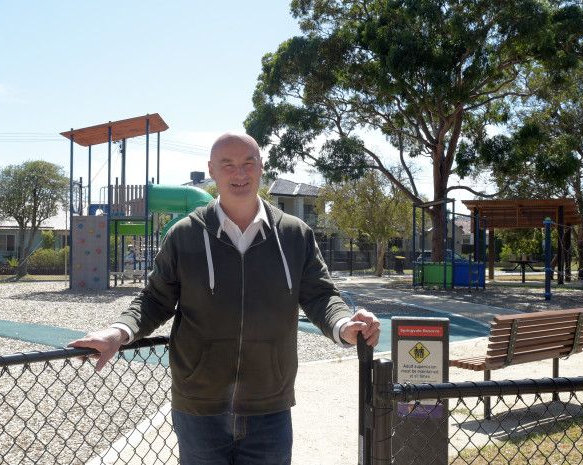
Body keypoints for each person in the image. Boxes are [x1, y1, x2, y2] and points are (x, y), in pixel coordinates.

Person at [70, 132, 380, 465]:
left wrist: (346, 326)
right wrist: (118, 332)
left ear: (261, 167)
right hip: (199, 408)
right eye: (227, 165)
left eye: (249, 163)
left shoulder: (294, 234)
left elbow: (320, 296)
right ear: (212, 171)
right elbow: (155, 300)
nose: (240, 173)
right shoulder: (185, 234)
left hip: (270, 407)